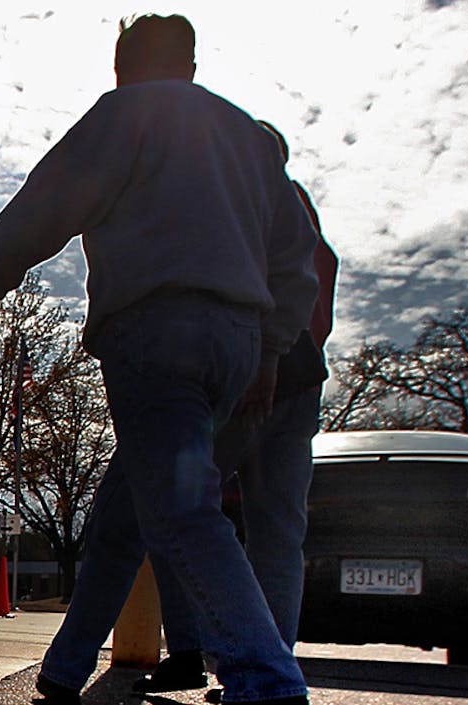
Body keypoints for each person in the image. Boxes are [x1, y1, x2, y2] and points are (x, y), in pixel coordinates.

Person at [0, 15, 320, 705]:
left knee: (181, 508)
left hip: (156, 334)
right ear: (192, 65)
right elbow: (298, 263)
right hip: (236, 344)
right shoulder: (249, 139)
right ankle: (64, 667)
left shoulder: (126, 114)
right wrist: (270, 348)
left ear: (121, 67)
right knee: (124, 510)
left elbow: (47, 206)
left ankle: (266, 679)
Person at [135, 121, 342, 697]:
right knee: (279, 531)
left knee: (178, 511)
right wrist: (299, 352)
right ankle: (273, 662)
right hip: (300, 380)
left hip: (244, 377)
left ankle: (191, 651)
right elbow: (318, 296)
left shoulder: (239, 198)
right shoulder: (302, 213)